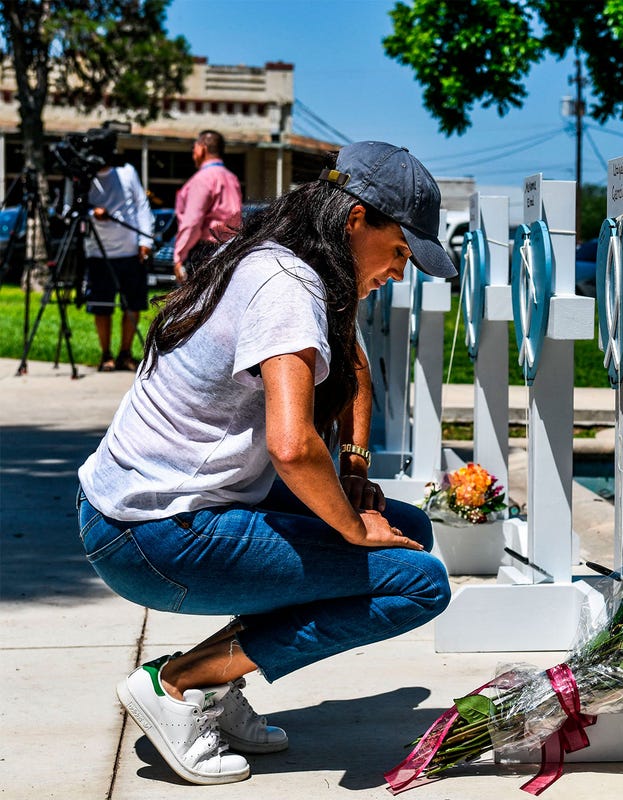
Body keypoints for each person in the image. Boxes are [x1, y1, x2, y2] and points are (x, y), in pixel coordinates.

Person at [77, 142, 458, 785]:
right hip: (150, 533)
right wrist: (350, 527)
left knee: (411, 533)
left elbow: (355, 365)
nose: (400, 271)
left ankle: (216, 683)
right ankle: (180, 683)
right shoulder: (287, 287)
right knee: (418, 582)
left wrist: (357, 475)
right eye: (399, 251)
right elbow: (291, 446)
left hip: (159, 508)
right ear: (356, 218)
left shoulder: (297, 259)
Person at [82, 130, 155, 372]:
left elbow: (141, 204)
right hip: (98, 252)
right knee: (102, 306)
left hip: (130, 251)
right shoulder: (84, 176)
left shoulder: (127, 172)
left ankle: (125, 353)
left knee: (132, 304)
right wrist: (93, 213)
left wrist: (146, 240)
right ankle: (106, 355)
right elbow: (71, 209)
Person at [173, 129, 243, 284]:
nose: (193, 152)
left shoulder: (203, 179)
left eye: (194, 147)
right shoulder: (231, 178)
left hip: (205, 252)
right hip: (229, 249)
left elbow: (192, 222)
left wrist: (179, 255)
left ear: (203, 148)